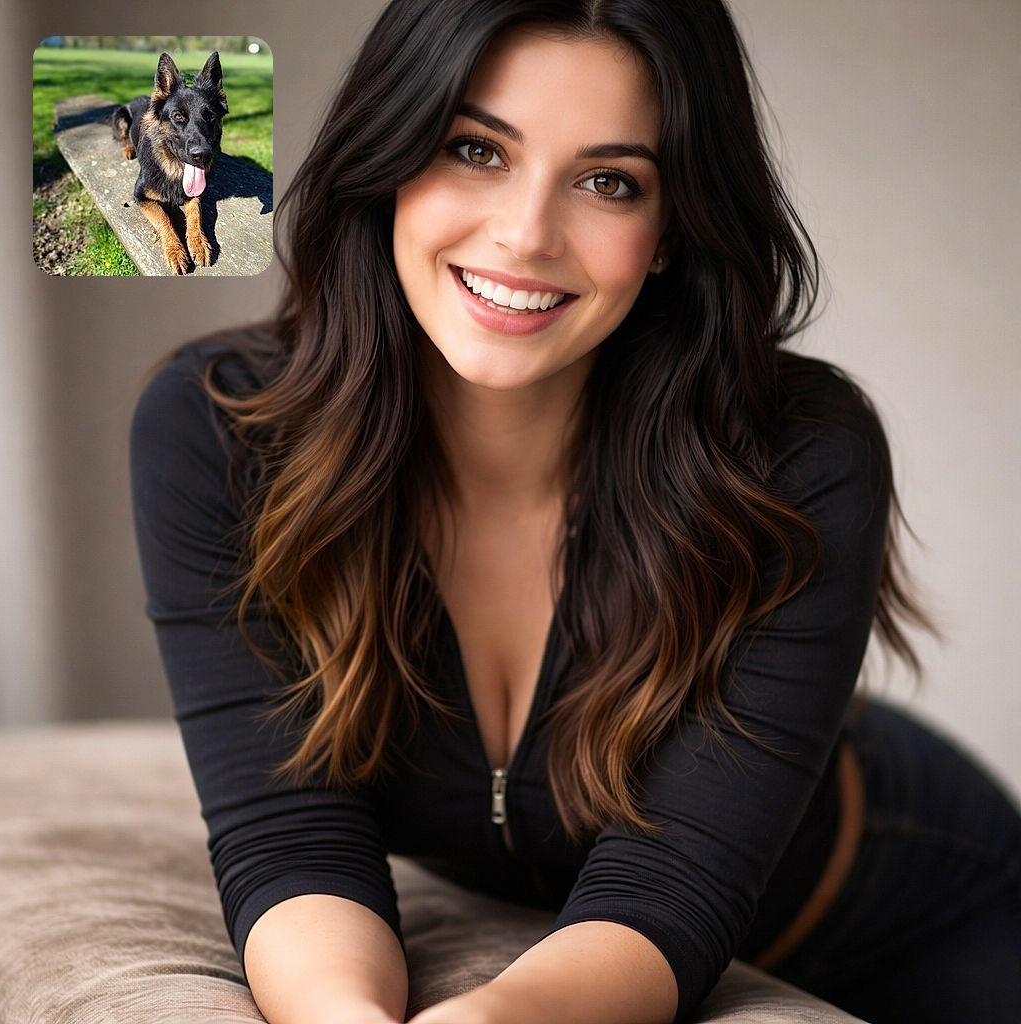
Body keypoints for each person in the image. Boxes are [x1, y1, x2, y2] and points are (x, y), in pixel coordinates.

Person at [130, 1, 1021, 1022]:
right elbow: (291, 845)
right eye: (474, 148)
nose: (523, 234)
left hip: (914, 908)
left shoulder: (800, 452)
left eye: (608, 181)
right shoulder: (219, 431)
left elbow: (666, 889)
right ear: (385, 158)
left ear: (672, 227)